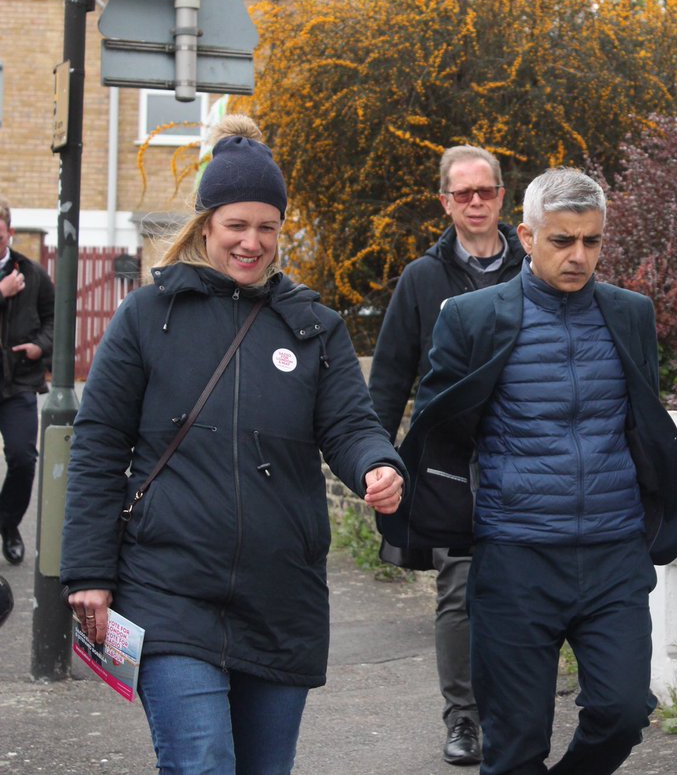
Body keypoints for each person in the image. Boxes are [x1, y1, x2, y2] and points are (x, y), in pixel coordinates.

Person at [59, 115, 406, 774]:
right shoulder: (147, 317)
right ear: (206, 225)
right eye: (236, 226)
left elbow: (350, 424)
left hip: (281, 598)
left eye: (267, 227)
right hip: (170, 589)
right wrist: (89, 574)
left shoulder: (314, 327)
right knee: (202, 763)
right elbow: (99, 444)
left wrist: (379, 464)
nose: (252, 242)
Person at [380, 168, 677, 775]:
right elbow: (441, 430)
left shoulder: (631, 313)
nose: (579, 256)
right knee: (516, 741)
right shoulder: (471, 317)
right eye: (562, 241)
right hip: (515, 558)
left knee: (624, 710)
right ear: (525, 235)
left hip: (613, 552)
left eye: (592, 241)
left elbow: (644, 423)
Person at [369, 145, 524, 765]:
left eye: (485, 191)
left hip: (525, 454)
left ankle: (514, 710)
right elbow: (388, 378)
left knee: (522, 587)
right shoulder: (422, 279)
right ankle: (463, 718)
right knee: (460, 589)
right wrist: (373, 459)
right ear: (445, 202)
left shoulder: (532, 265)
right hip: (451, 463)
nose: (476, 203)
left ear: (502, 197)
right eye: (463, 194)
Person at [0, 196, 54, 566]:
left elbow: (54, 319)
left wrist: (39, 346)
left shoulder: (32, 273)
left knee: (23, 458)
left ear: (9, 232)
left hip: (18, 382)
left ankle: (7, 525)